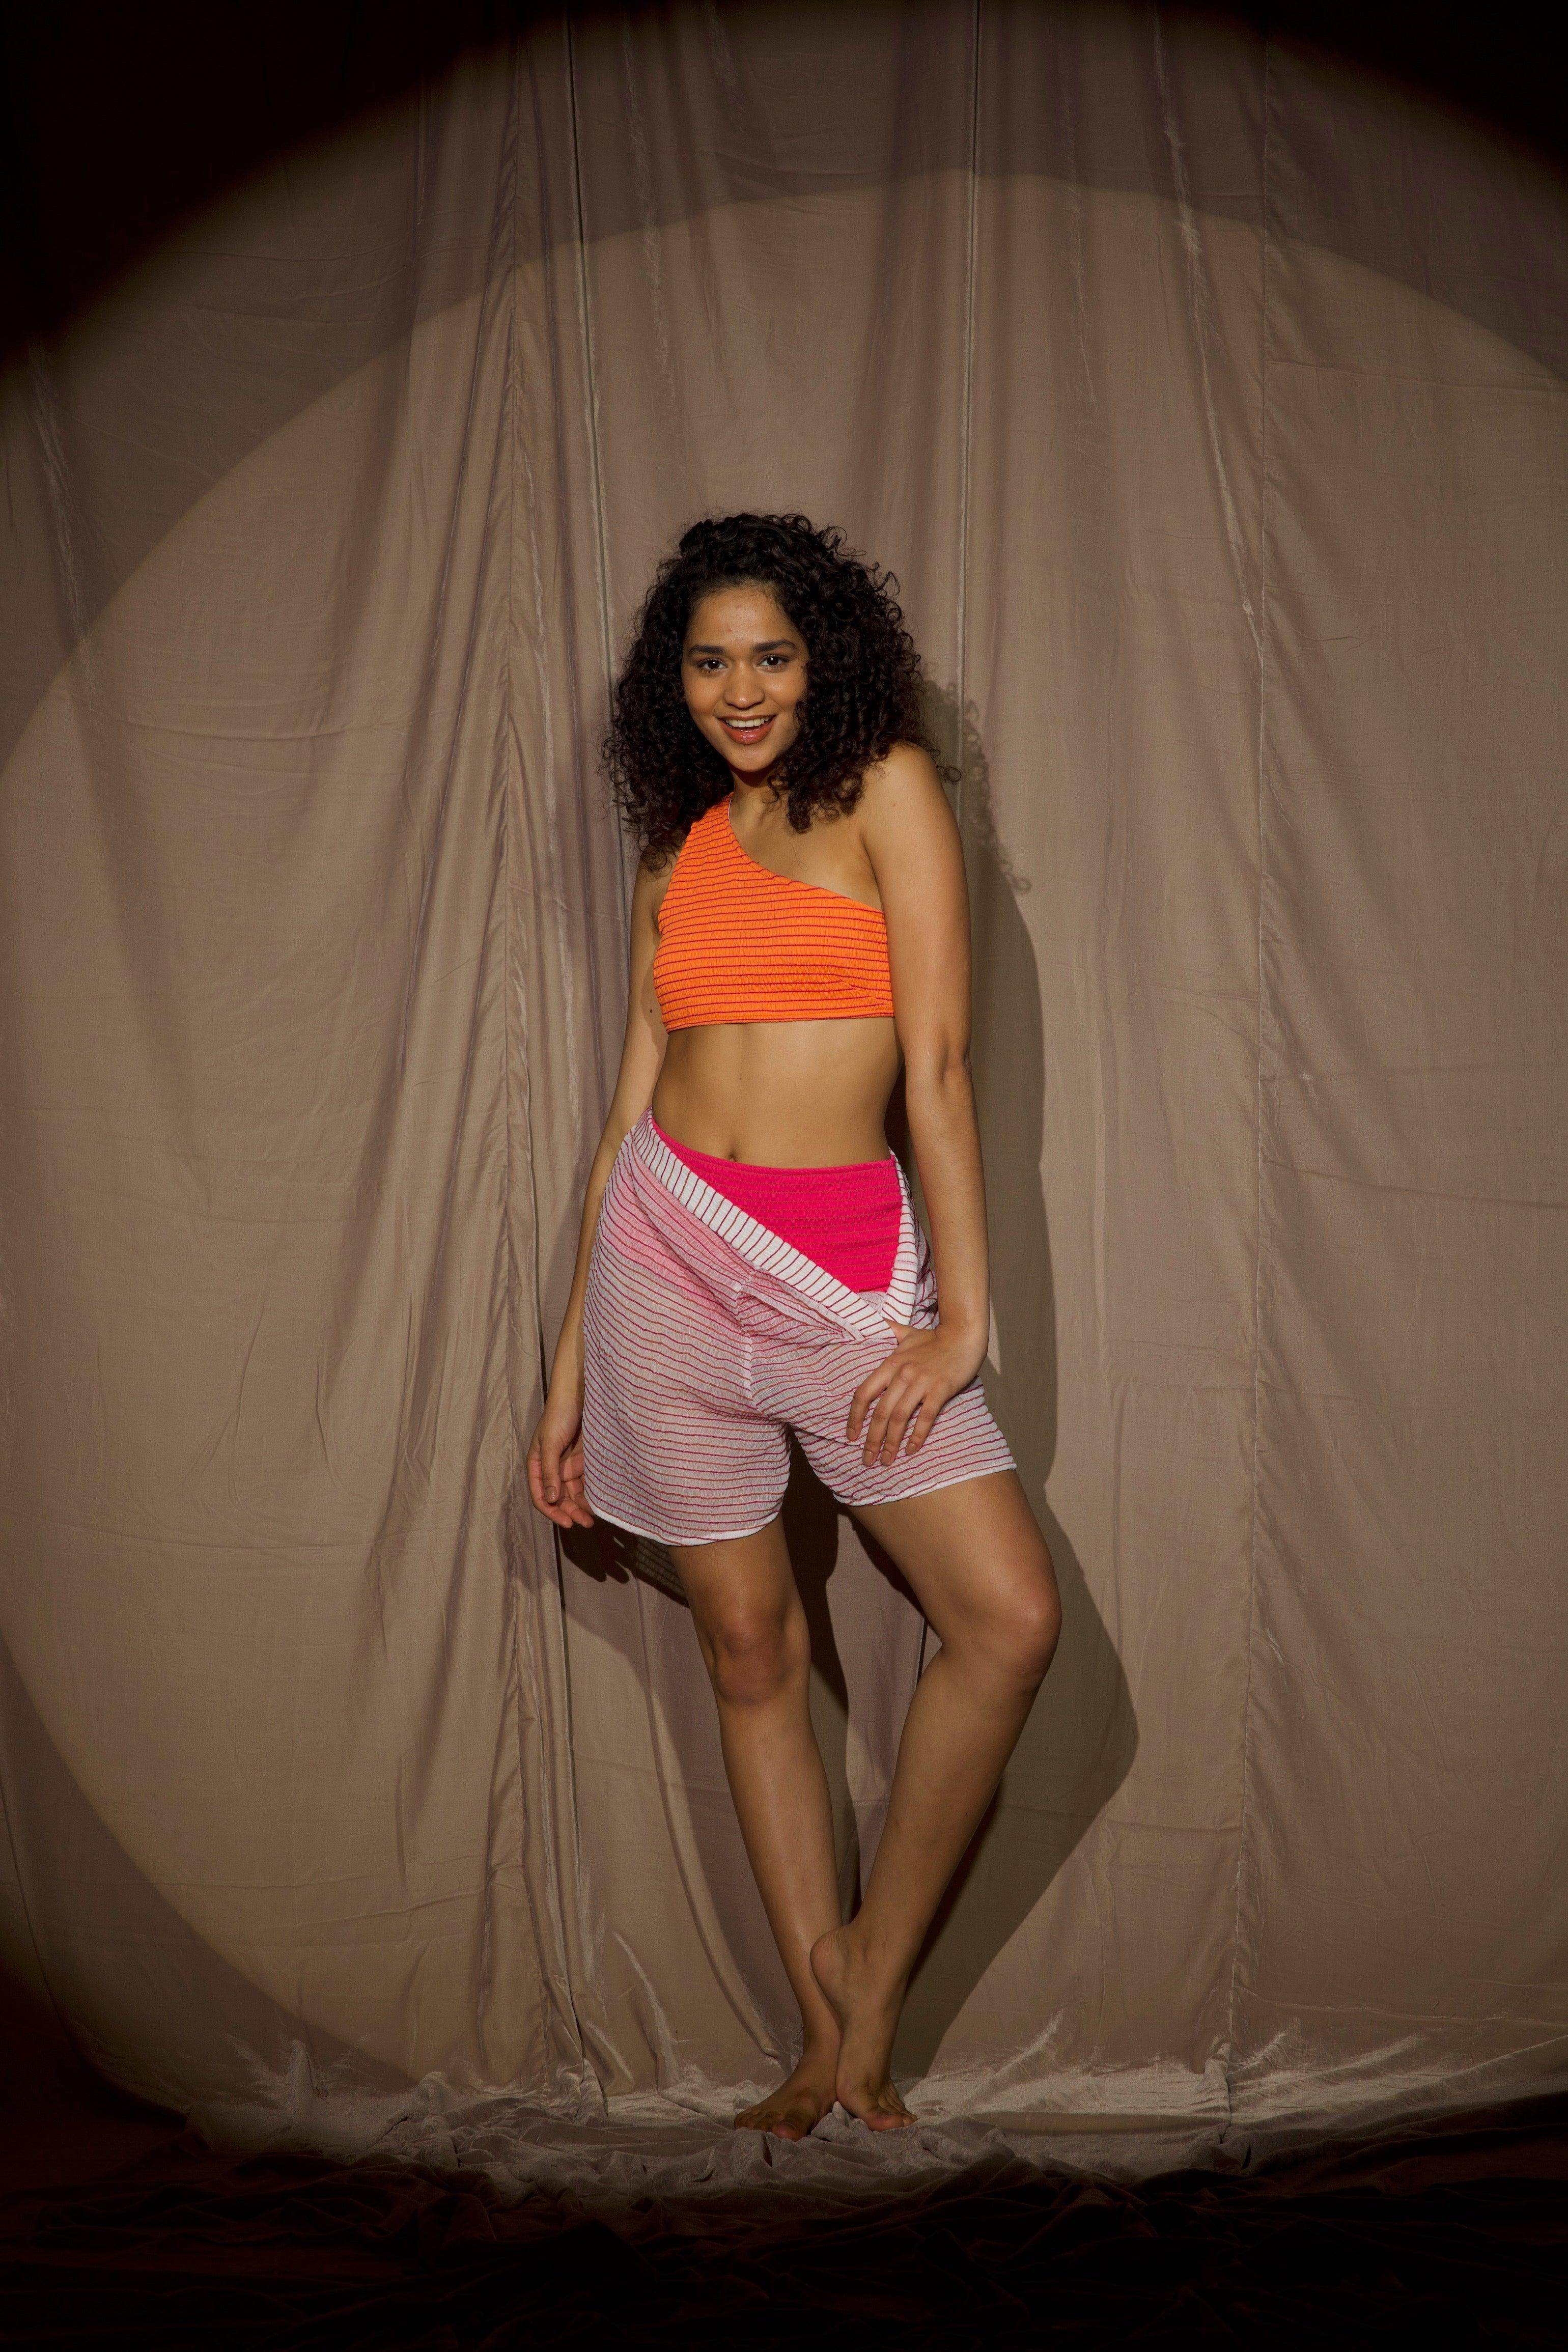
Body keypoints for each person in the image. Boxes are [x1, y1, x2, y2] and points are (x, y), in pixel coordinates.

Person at [527, 512, 1060, 2140]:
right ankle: (828, 2051)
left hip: (837, 1282)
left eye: (770, 654)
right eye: (710, 661)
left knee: (1008, 1616)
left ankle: (866, 1973)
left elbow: (940, 1069)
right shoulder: (676, 847)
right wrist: (563, 1375)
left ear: (823, 659)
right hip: (661, 1259)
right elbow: (624, 1111)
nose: (742, 689)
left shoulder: (888, 789)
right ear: (671, 681)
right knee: (748, 1645)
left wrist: (959, 1324)